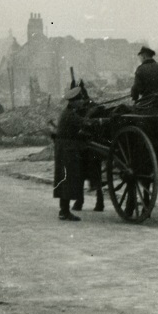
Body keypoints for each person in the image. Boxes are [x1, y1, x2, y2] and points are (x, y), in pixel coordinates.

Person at [53, 82, 92, 221]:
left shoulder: (68, 112)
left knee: (66, 180)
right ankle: (64, 211)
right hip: (67, 150)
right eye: (80, 100)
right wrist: (99, 121)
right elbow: (85, 123)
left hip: (65, 148)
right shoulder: (71, 115)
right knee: (67, 180)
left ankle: (64, 211)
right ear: (74, 102)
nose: (82, 102)